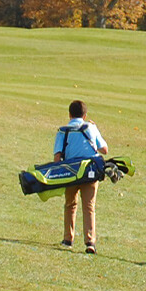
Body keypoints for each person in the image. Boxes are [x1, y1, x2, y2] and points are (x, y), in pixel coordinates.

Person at [53, 100, 108, 254]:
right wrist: (95, 129)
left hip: (71, 173)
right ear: (85, 115)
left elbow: (57, 158)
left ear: (69, 114)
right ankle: (90, 241)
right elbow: (104, 149)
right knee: (89, 207)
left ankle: (68, 239)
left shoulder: (63, 131)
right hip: (90, 173)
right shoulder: (90, 128)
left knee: (70, 204)